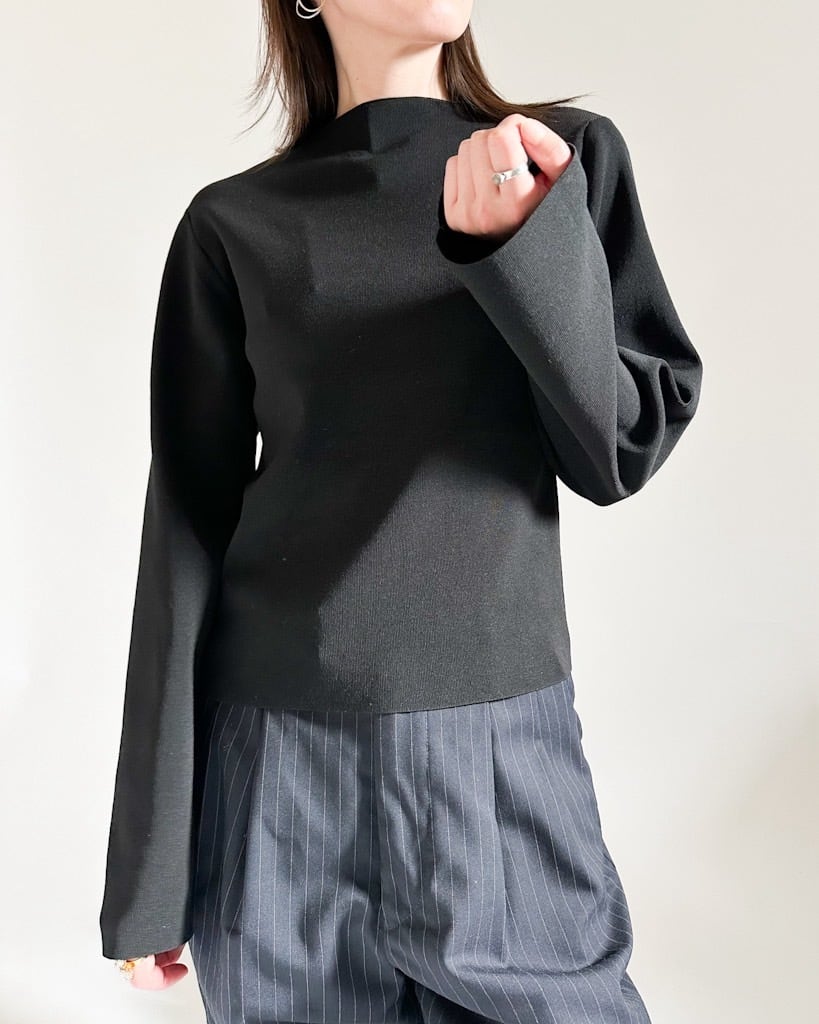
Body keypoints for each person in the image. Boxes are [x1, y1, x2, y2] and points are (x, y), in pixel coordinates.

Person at [100, 0, 703, 1021]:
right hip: (278, 773)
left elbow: (616, 449)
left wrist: (516, 248)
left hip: (500, 757)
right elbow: (185, 533)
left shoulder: (558, 162)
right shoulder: (233, 224)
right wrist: (149, 875)